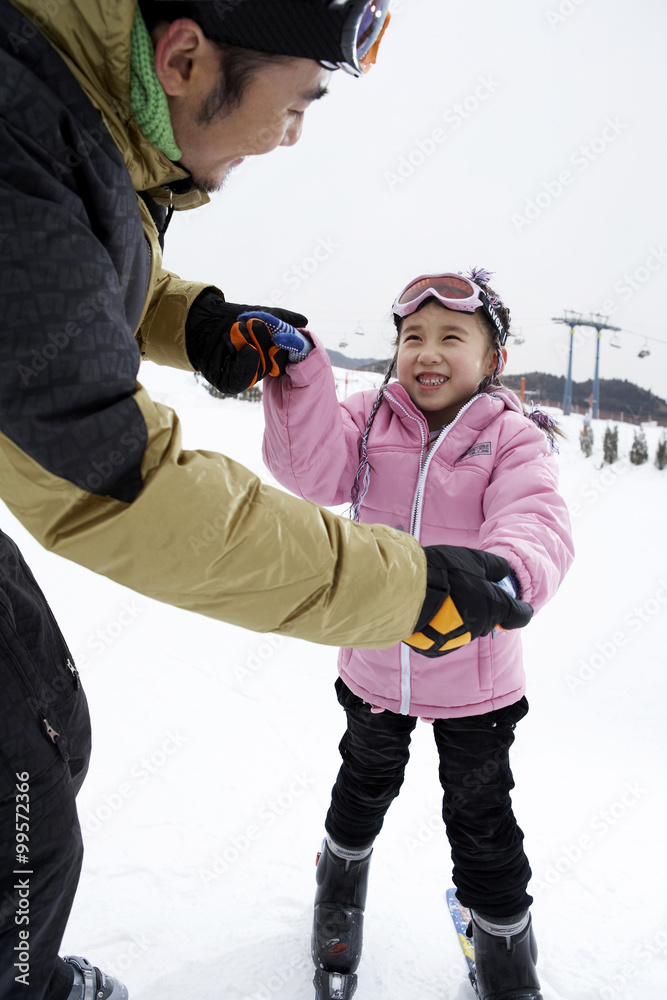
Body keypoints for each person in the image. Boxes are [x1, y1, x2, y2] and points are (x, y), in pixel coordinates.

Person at [0, 1, 533, 996]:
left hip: (473, 688)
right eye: (294, 109)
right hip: (386, 663)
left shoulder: (75, 108)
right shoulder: (20, 131)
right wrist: (406, 589)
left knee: (47, 729)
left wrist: (193, 322)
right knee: (17, 814)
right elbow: (121, 484)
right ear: (186, 56)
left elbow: (80, 259)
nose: (292, 139)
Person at [262, 269, 575, 1000]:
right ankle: (338, 895)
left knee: (481, 820)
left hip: (476, 677)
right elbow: (308, 472)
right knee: (362, 786)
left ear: (491, 358)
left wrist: (501, 575)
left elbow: (537, 519)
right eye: (412, 337)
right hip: (375, 664)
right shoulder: (369, 418)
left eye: (450, 338)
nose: (426, 352)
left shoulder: (510, 438)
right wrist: (301, 374)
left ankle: (501, 951)